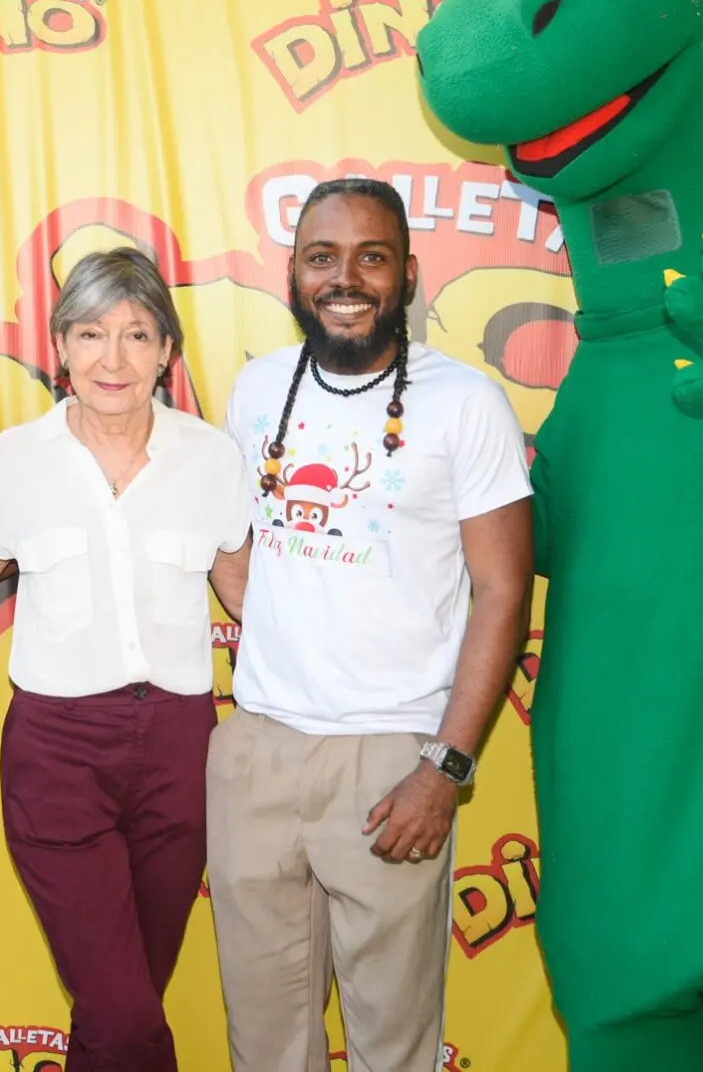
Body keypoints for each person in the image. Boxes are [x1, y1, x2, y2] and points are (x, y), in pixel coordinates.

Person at [205, 177, 535, 1071]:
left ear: (409, 275)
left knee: (392, 1042)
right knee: (265, 1043)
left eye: (370, 257)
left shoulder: (465, 404)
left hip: (395, 759)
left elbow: (503, 592)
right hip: (260, 748)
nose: (345, 278)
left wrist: (445, 765)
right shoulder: (257, 388)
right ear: (294, 276)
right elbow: (232, 544)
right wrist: (282, 625)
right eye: (323, 257)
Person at [0, 247, 254, 1072]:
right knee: (126, 1017)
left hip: (181, 750)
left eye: (136, 335)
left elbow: (248, 598)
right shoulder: (14, 458)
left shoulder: (213, 458)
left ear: (167, 351)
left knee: (124, 1001)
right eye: (90, 334)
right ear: (60, 345)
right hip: (56, 754)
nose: (112, 359)